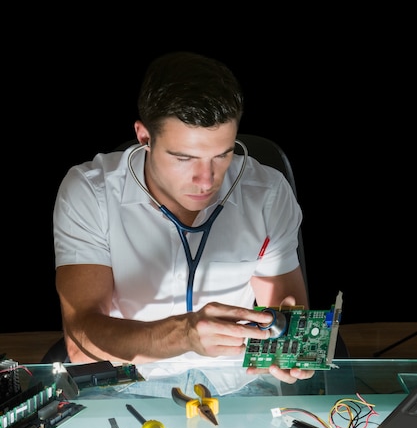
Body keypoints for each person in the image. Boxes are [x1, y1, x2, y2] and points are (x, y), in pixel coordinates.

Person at [52, 51, 313, 395]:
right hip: (130, 384)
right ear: (144, 137)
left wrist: (288, 347)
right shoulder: (91, 192)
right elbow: (81, 342)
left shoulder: (267, 193)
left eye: (221, 155)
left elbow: (284, 311)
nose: (206, 180)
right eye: (184, 158)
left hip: (239, 385)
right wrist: (185, 334)